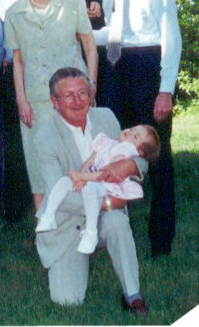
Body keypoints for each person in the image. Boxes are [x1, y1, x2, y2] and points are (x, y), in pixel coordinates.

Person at [92, 0, 182, 258]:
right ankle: (115, 235)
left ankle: (161, 241)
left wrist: (165, 89)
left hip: (148, 70)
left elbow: (170, 37)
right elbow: (113, 34)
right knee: (115, 151)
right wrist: (80, 30)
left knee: (156, 156)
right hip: (115, 73)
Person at [34, 67, 149, 315]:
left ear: (91, 94)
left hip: (104, 218)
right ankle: (74, 258)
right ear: (54, 102)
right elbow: (60, 193)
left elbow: (138, 152)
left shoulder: (106, 117)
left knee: (117, 222)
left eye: (82, 93)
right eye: (68, 96)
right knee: (68, 302)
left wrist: (130, 164)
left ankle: (133, 295)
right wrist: (107, 203)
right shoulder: (45, 137)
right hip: (67, 223)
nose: (78, 101)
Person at [4, 0, 98, 211]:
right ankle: (44, 221)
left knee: (77, 155)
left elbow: (90, 48)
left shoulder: (72, 3)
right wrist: (21, 99)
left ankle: (81, 217)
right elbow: (17, 61)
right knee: (39, 159)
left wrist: (90, 87)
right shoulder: (15, 12)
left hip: (74, 96)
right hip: (36, 97)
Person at [36, 124, 160, 254]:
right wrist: (80, 178)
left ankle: (90, 234)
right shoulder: (106, 143)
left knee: (90, 190)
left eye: (135, 136)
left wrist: (82, 177)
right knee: (63, 182)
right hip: (89, 177)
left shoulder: (125, 154)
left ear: (139, 151)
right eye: (132, 129)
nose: (129, 131)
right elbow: (89, 162)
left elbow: (104, 176)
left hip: (105, 187)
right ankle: (48, 216)